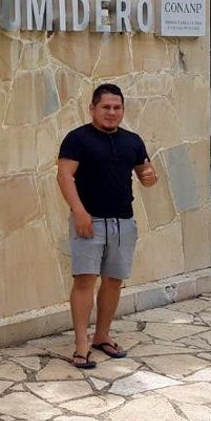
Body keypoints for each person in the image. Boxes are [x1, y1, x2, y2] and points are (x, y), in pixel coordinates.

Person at [56, 83, 157, 368]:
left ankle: (102, 336)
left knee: (114, 282)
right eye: (106, 107)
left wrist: (150, 177)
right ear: (92, 109)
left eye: (117, 108)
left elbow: (145, 173)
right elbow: (65, 176)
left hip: (124, 222)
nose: (111, 113)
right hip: (89, 221)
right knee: (85, 280)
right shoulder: (77, 139)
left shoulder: (133, 141)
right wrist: (79, 212)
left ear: (122, 110)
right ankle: (80, 344)